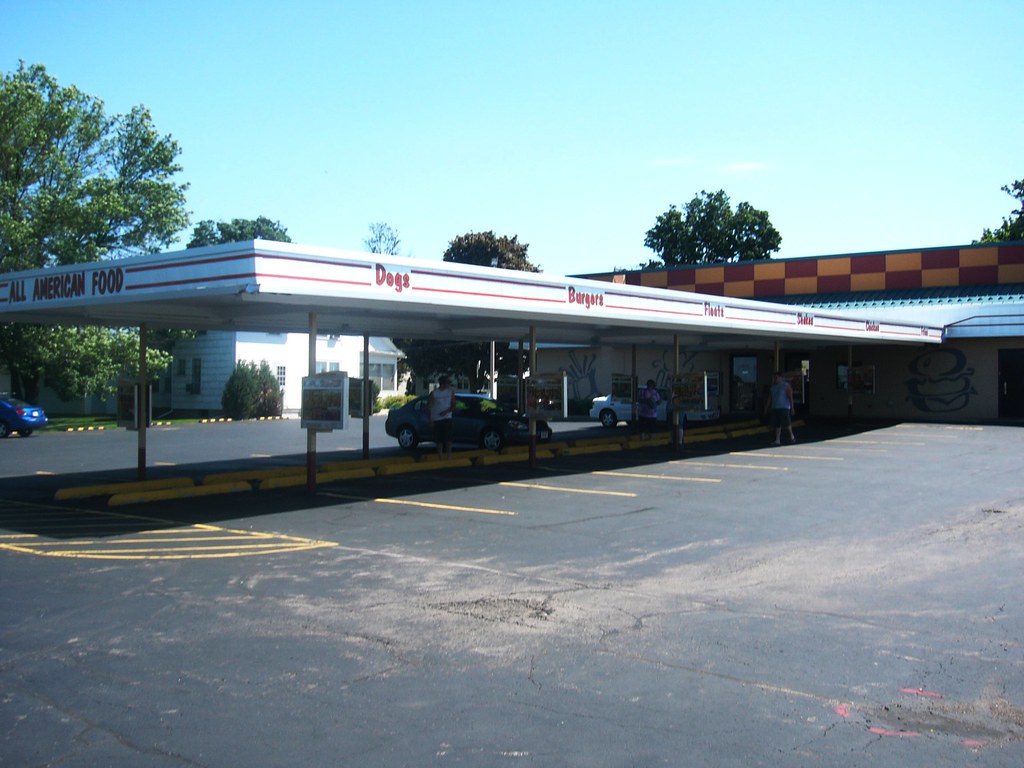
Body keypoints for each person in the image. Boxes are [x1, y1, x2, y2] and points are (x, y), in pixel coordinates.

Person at [428, 374, 455, 458]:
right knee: (439, 439)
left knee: (449, 438)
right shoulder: (434, 393)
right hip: (437, 419)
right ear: (442, 384)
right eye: (447, 383)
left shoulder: (450, 392)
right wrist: (430, 420)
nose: (448, 385)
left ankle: (449, 455)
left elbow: (453, 405)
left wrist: (446, 411)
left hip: (447, 418)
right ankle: (440, 455)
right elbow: (429, 407)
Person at [766, 371, 796, 445]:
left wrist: (792, 408)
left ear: (781, 378)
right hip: (775, 407)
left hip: (784, 407)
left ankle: (792, 436)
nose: (774, 379)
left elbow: (790, 398)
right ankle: (777, 439)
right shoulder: (773, 387)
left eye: (776, 377)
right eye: (774, 377)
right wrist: (766, 408)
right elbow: (769, 399)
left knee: (787, 423)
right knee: (777, 424)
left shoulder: (786, 386)